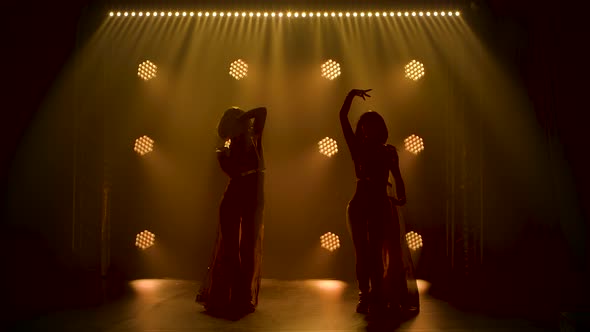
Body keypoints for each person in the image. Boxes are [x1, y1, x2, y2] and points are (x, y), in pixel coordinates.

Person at [339, 89, 415, 318]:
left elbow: (398, 178)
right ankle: (365, 294)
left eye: (371, 124)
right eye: (363, 124)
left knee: (376, 252)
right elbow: (342, 118)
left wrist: (401, 197)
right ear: (361, 128)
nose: (366, 128)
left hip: (380, 203)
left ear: (379, 128)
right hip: (360, 204)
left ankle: (378, 293)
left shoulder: (389, 152)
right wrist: (350, 95)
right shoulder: (357, 148)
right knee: (362, 252)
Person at [196, 106, 267, 318]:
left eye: (241, 119)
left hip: (252, 197)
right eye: (235, 119)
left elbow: (262, 111)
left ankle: (242, 297)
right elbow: (233, 173)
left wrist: (240, 118)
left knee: (247, 248)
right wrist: (223, 159)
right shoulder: (228, 144)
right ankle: (230, 296)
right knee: (231, 251)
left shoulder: (255, 136)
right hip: (233, 197)